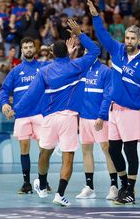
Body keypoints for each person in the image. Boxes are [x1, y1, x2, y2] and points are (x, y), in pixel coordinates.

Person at [13, 19, 100, 206]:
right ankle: (59, 194)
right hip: (69, 118)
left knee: (44, 153)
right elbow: (95, 51)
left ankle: (42, 185)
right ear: (67, 52)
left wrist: (15, 109)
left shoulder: (44, 71)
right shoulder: (78, 66)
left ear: (52, 53)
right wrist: (80, 34)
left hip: (49, 119)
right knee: (68, 157)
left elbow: (30, 96)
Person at [89, 0, 140, 205]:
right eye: (127, 37)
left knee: (130, 151)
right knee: (113, 150)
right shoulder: (117, 50)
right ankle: (124, 186)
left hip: (131, 112)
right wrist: (95, 17)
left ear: (138, 39)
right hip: (114, 111)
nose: (128, 41)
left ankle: (131, 191)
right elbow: (102, 35)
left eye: (132, 38)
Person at [0, 36, 48, 194]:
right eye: (25, 47)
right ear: (22, 50)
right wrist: (4, 103)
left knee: (44, 148)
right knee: (24, 148)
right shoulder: (15, 71)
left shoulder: (44, 67)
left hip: (40, 113)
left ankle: (43, 181)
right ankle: (26, 183)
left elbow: (61, 69)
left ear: (35, 49)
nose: (28, 50)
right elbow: (4, 90)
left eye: (30, 47)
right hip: (22, 115)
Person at [75, 47, 118, 200]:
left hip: (99, 118)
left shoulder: (106, 71)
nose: (86, 54)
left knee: (107, 150)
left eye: (89, 51)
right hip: (84, 118)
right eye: (85, 51)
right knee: (86, 151)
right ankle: (89, 187)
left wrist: (101, 115)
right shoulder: (81, 70)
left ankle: (114, 186)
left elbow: (108, 96)